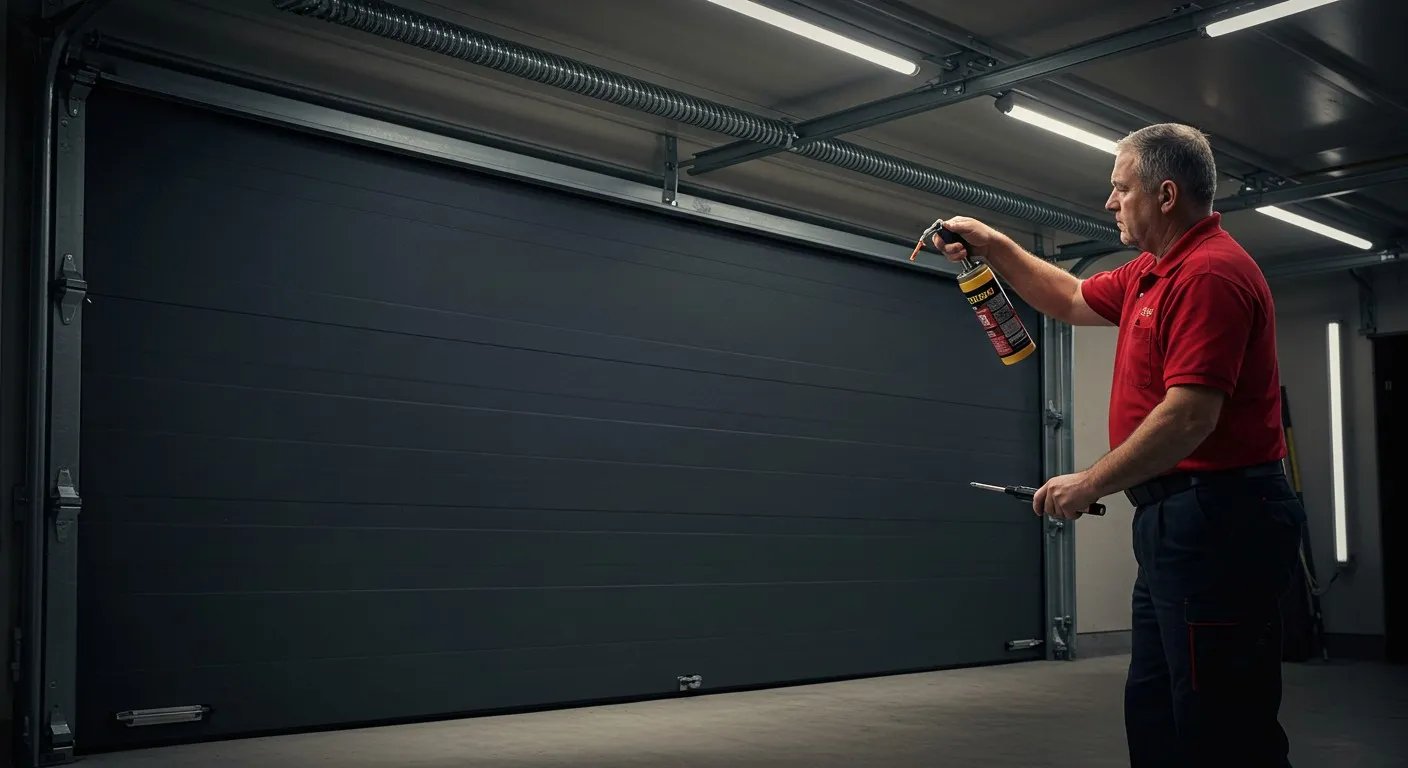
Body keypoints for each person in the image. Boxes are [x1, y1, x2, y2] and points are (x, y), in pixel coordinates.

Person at [930, 123, 1305, 767]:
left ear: (1164, 194)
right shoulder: (1151, 273)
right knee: (1158, 710)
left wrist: (1089, 482)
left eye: (1119, 188)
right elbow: (1070, 296)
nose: (1109, 203)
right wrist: (990, 243)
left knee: (1222, 725)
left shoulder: (1209, 274)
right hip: (1175, 520)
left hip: (1220, 520)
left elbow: (1190, 416)